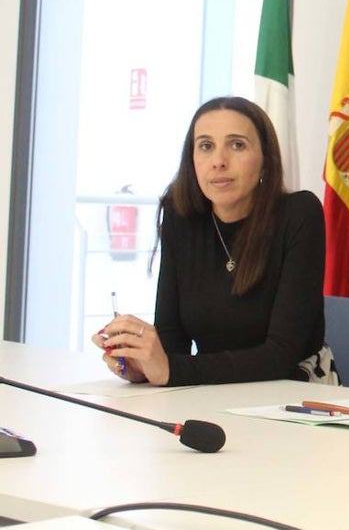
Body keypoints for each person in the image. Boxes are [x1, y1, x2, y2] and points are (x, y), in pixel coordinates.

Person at [93, 96, 328, 386]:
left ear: (265, 160)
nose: (219, 162)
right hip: (208, 394)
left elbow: (281, 354)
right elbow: (172, 339)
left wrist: (172, 370)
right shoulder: (180, 217)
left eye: (237, 145)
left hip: (293, 395)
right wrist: (141, 364)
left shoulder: (299, 213)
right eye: (206, 146)